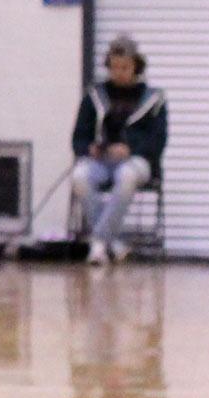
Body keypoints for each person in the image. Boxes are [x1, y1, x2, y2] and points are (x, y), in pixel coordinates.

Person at [70, 35, 165, 265]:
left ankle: (99, 243)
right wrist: (89, 148)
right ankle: (113, 243)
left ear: (136, 67)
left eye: (125, 67)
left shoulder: (154, 99)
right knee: (80, 176)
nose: (119, 72)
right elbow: (78, 138)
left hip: (137, 162)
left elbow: (158, 141)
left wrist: (131, 149)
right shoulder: (94, 96)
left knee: (126, 176)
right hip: (102, 161)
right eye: (114, 67)